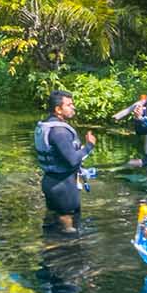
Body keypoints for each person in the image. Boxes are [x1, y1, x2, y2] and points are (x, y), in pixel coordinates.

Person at [34, 89, 96, 231]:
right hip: (63, 186)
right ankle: (69, 249)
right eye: (69, 105)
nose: (73, 107)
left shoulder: (46, 126)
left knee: (53, 223)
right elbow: (73, 160)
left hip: (51, 182)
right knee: (69, 225)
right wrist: (89, 146)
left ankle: (52, 247)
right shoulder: (59, 132)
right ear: (58, 109)